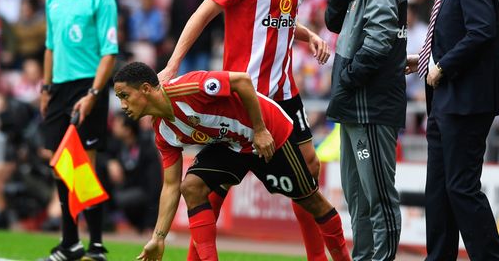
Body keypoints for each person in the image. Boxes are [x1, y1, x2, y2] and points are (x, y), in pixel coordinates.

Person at [158, 0, 332, 260]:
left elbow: (277, 20)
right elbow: (203, 14)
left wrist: (308, 34)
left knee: (310, 170)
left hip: (284, 92)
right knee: (209, 190)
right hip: (242, 97)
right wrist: (174, 64)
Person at [112, 62, 351, 261]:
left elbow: (242, 81)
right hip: (231, 145)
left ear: (145, 89)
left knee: (312, 202)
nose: (122, 105)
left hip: (268, 133)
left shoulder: (189, 87)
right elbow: (171, 186)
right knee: (191, 187)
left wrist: (259, 130)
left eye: (124, 96)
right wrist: (158, 237)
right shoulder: (163, 131)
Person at [406, 0, 499, 260]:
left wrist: (445, 67)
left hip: (465, 100)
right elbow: (455, 30)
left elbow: (483, 30)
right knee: (439, 189)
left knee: (460, 187)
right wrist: (424, 59)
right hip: (447, 99)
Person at [324, 0, 414, 260]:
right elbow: (337, 26)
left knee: (377, 196)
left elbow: (377, 42)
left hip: (370, 104)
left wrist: (346, 81)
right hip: (355, 105)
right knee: (358, 196)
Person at [39, 0, 118, 261]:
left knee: (85, 166)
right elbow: (50, 45)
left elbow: (110, 52)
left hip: (89, 86)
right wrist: (45, 88)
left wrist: (94, 94)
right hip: (59, 88)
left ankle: (96, 244)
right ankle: (70, 243)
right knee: (61, 166)